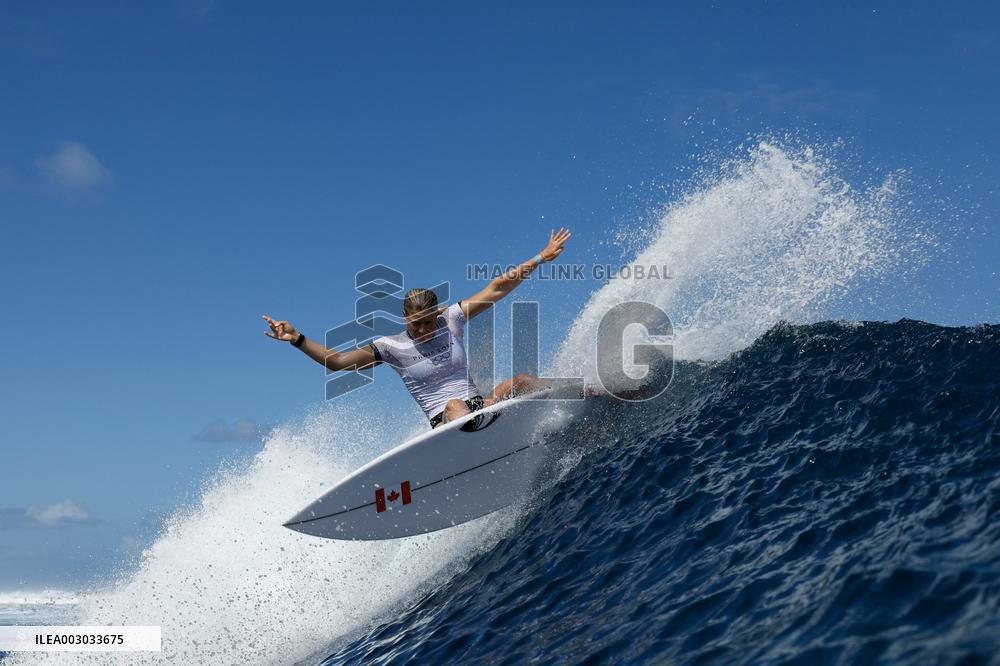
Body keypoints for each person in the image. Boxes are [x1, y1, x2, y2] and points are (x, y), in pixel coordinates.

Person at [263, 228, 572, 428]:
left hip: (480, 406)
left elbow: (496, 288)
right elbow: (338, 362)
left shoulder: (450, 320)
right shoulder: (391, 347)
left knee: (519, 381)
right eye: (417, 323)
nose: (425, 328)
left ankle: (582, 393)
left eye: (429, 320)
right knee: (454, 405)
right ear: (404, 319)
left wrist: (540, 257)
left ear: (437, 312)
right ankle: (481, 437)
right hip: (446, 421)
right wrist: (297, 339)